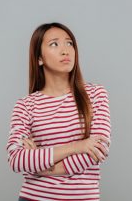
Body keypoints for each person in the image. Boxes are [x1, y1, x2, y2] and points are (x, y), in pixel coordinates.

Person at [6, 22, 111, 201]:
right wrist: (77, 146)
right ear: (39, 58)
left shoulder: (95, 94)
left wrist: (40, 166)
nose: (65, 50)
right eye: (54, 44)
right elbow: (17, 159)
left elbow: (97, 150)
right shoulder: (25, 105)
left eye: (69, 43)